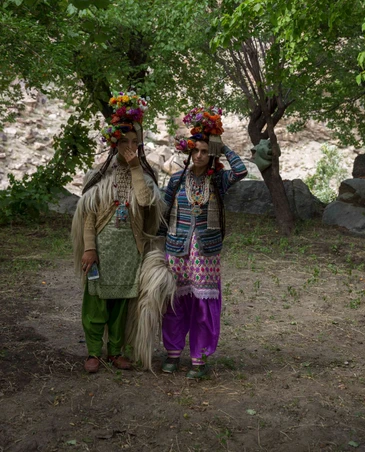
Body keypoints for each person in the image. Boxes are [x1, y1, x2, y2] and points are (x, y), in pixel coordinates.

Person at [72, 91, 174, 373]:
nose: (129, 146)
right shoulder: (99, 175)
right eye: (124, 141)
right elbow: (89, 215)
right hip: (103, 250)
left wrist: (135, 168)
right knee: (96, 301)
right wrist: (90, 248)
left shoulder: (145, 173)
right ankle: (94, 351)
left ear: (139, 143)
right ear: (114, 142)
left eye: (134, 142)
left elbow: (144, 201)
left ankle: (116, 351)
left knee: (121, 304)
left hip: (131, 249)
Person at [160, 106, 247, 378]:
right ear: (189, 152)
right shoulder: (176, 181)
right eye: (195, 150)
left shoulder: (218, 180)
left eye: (205, 151)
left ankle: (199, 357)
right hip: (176, 249)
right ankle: (173, 354)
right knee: (174, 301)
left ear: (212, 154)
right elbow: (161, 214)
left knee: (202, 304)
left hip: (206, 252)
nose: (199, 156)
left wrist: (223, 146)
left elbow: (242, 171)